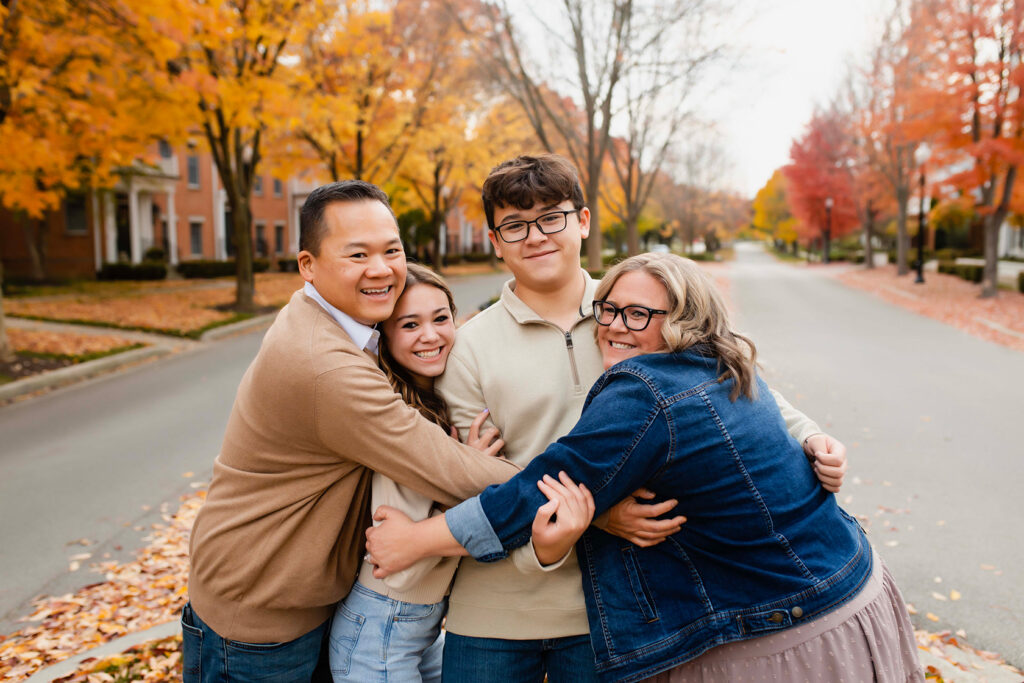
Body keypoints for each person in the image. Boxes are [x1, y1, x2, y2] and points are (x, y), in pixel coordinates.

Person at [367, 253, 924, 683]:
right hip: (851, 592)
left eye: (638, 314)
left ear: (685, 320)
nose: (614, 326)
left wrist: (415, 541)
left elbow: (540, 490)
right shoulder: (721, 364)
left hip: (795, 632)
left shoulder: (647, 393)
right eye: (608, 310)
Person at [424, 154, 849, 682]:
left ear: (582, 221)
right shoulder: (467, 346)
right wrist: (597, 510)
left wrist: (810, 435)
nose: (535, 236)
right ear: (495, 240)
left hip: (614, 606)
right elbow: (469, 471)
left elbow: (722, 379)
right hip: (497, 609)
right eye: (514, 225)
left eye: (550, 218)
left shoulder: (633, 308)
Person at [181, 181, 519, 683]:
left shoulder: (336, 322)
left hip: (302, 602)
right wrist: (582, 495)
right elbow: (446, 470)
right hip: (257, 623)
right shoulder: (325, 365)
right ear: (308, 266)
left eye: (392, 250)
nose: (381, 268)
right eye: (357, 254)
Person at [328, 263, 502, 682]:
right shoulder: (398, 423)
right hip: (379, 629)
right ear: (385, 338)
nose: (431, 335)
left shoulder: (435, 400)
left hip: (417, 630)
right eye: (410, 324)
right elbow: (401, 558)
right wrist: (473, 471)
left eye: (441, 318)